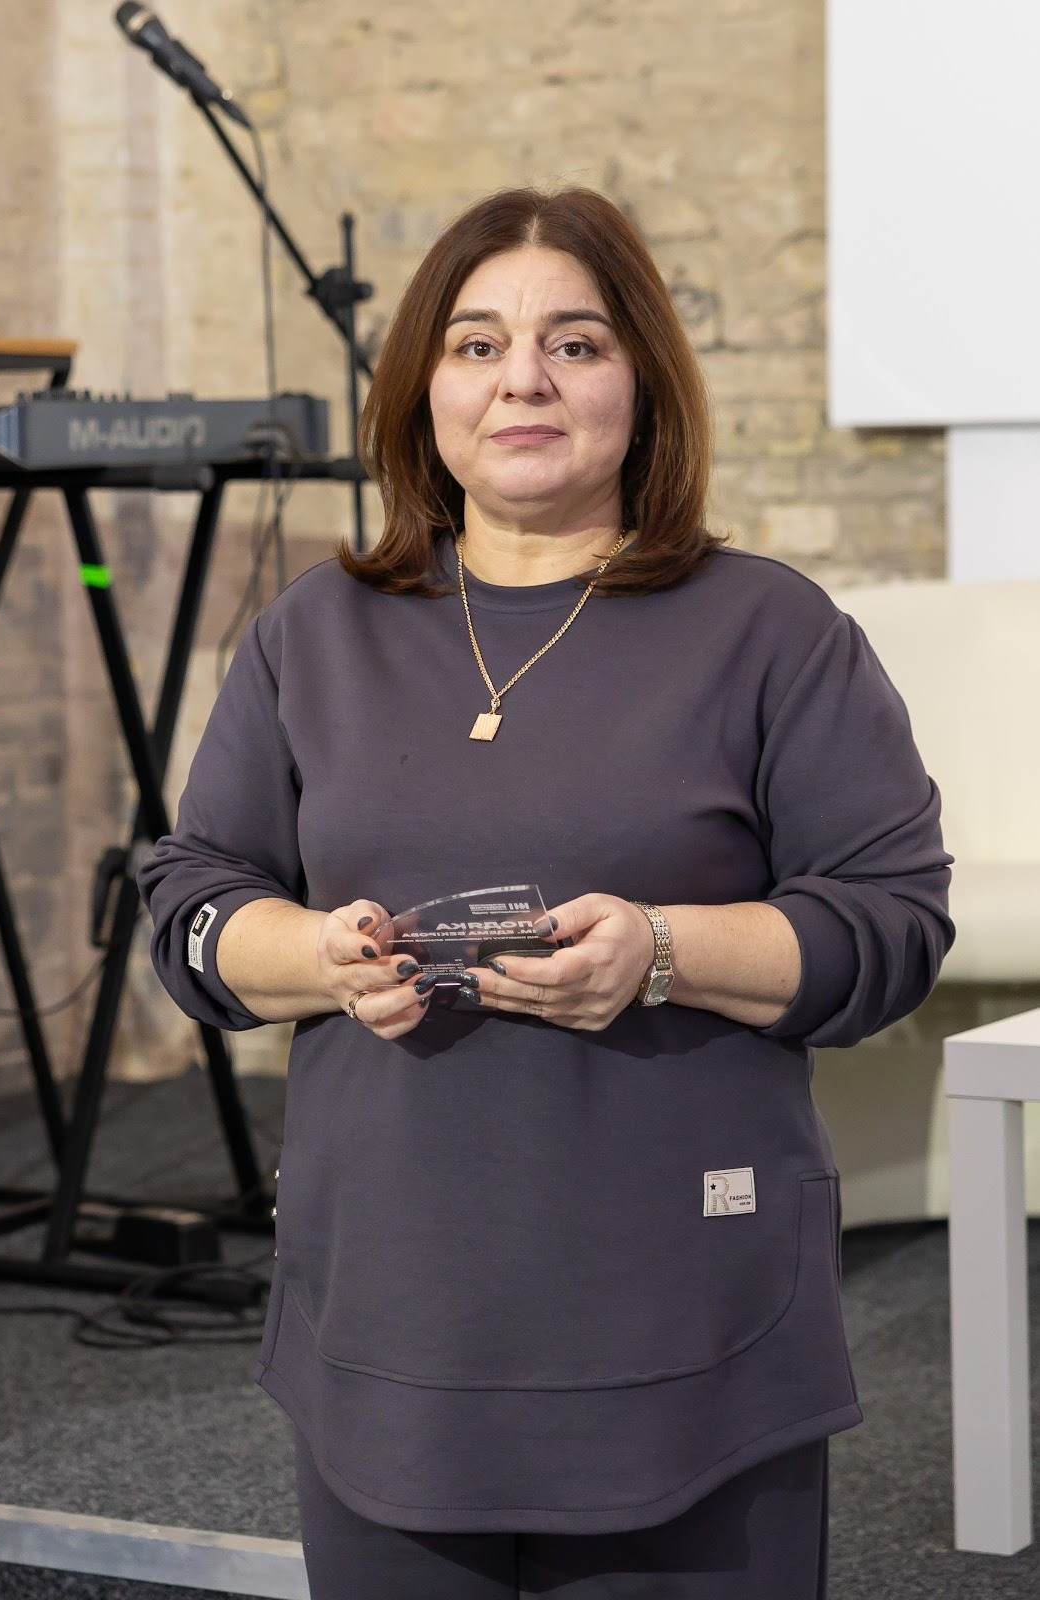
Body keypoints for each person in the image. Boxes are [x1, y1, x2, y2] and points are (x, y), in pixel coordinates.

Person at [137, 185, 955, 1599]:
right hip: (392, 1328)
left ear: (644, 385)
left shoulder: (771, 630)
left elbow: (893, 922)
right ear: (424, 389)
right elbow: (192, 900)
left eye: (575, 344)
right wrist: (316, 955)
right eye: (477, 344)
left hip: (689, 1329)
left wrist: (662, 950)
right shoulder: (311, 633)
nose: (522, 379)